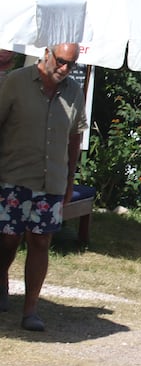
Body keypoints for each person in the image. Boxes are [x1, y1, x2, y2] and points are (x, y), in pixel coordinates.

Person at [0, 43, 87, 331]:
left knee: (40, 241)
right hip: (13, 176)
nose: (64, 69)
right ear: (47, 53)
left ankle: (31, 309)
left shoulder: (74, 92)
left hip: (52, 180)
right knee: (8, 239)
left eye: (70, 64)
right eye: (60, 61)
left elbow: (75, 137)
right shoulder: (17, 81)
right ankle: (2, 281)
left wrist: (70, 178)